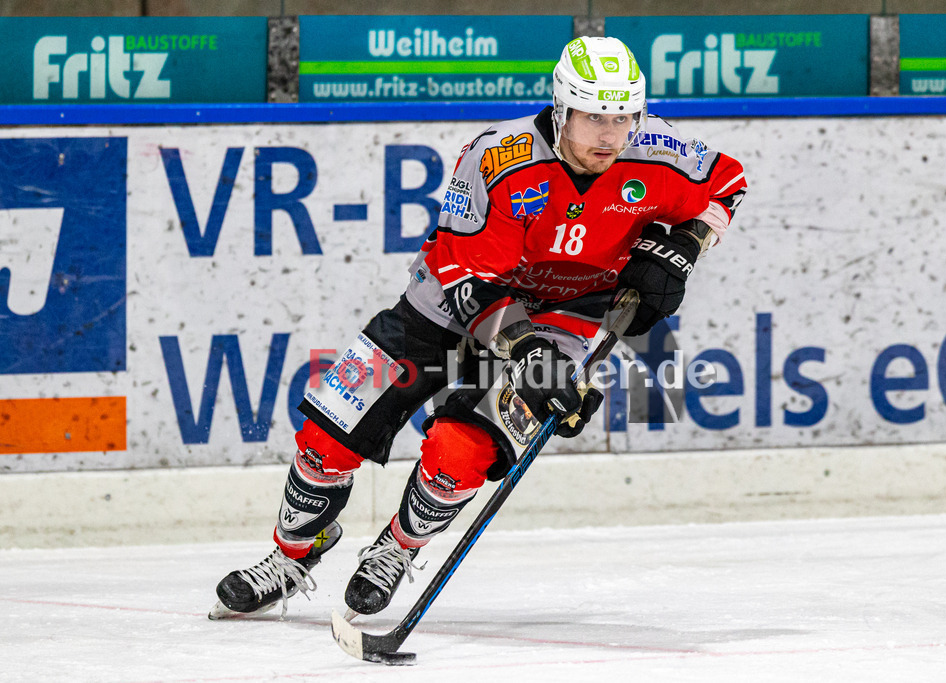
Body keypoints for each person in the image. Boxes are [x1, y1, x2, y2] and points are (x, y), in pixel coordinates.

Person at [209, 35, 746, 620]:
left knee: (459, 452)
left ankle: (395, 548)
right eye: (594, 116)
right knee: (327, 437)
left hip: (565, 314)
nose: (611, 134)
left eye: (623, 117)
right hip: (444, 300)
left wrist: (685, 247)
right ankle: (293, 554)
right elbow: (466, 279)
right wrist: (526, 353)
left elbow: (727, 183)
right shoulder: (500, 156)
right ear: (562, 109)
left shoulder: (661, 151)